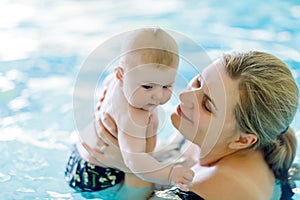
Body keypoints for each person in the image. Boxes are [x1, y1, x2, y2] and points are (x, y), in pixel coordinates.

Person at [79, 50, 299, 199]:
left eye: (207, 105)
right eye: (199, 82)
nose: (186, 97)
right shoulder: (209, 135)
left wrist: (134, 170)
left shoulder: (214, 188)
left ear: (243, 139)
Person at [65, 27, 194, 193]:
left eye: (166, 86)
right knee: (148, 190)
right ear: (121, 75)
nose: (158, 95)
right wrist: (169, 174)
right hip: (97, 176)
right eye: (148, 87)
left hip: (80, 156)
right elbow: (135, 161)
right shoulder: (134, 115)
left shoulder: (114, 81)